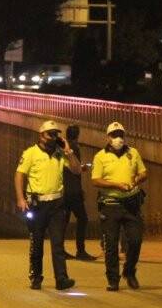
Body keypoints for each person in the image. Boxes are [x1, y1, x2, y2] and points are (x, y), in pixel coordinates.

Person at [14, 120, 81, 290]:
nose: (54, 137)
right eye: (50, 134)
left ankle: (62, 279)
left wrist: (68, 151)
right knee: (37, 243)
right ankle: (36, 277)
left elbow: (76, 170)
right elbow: (19, 175)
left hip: (57, 204)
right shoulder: (31, 153)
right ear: (41, 135)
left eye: (56, 134)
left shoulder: (60, 153)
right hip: (37, 205)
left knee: (58, 244)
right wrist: (21, 198)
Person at [91, 121, 147, 291]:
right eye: (114, 135)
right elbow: (95, 179)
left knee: (136, 240)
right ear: (108, 137)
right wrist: (116, 185)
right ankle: (112, 278)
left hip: (131, 204)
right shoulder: (100, 156)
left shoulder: (133, 153)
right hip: (110, 204)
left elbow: (143, 172)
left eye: (120, 135)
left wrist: (136, 180)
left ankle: (129, 271)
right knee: (111, 243)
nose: (118, 139)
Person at [60, 125, 97, 261]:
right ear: (77, 134)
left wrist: (82, 167)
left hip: (64, 190)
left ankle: (61, 250)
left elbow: (68, 167)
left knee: (63, 221)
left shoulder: (63, 146)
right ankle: (80, 250)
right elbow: (75, 168)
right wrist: (83, 169)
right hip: (73, 190)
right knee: (83, 219)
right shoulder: (74, 147)